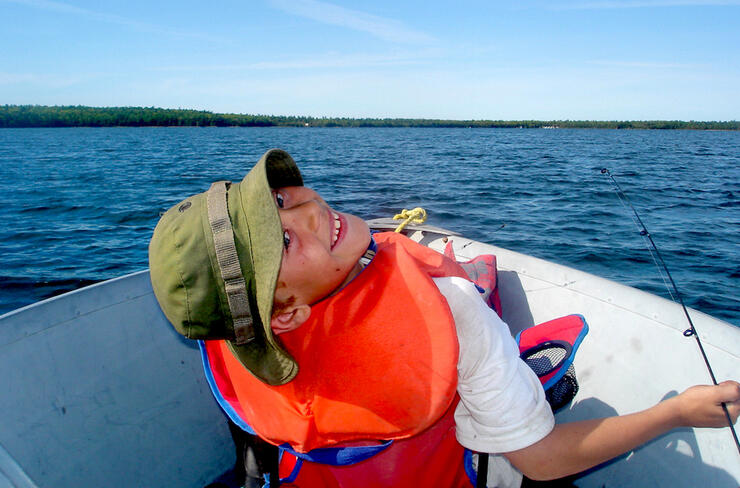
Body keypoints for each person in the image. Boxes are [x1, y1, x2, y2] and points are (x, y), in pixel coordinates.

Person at [148, 149, 739, 487]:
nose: (306, 207)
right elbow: (542, 460)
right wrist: (676, 412)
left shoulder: (230, 336)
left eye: (278, 200)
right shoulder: (451, 308)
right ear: (285, 311)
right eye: (282, 241)